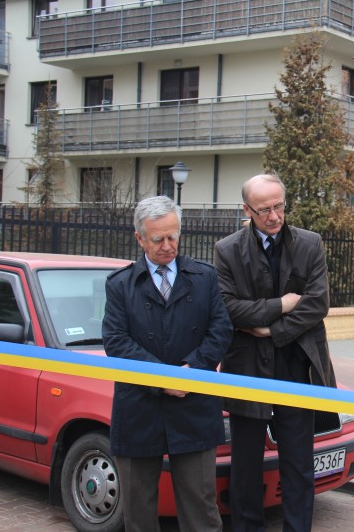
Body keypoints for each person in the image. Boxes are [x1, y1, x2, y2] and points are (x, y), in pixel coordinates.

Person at [213, 173, 335, 532]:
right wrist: (281, 304)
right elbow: (228, 308)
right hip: (246, 367)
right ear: (246, 210)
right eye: (264, 209)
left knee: (298, 463)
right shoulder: (227, 250)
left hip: (297, 364)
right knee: (246, 464)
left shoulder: (310, 244)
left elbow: (317, 304)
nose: (274, 216)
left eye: (279, 206)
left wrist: (271, 329)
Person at [103, 195, 233, 532]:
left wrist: (191, 371)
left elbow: (221, 330)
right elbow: (116, 341)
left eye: (173, 236)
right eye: (158, 238)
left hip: (194, 404)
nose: (167, 246)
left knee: (201, 508)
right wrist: (163, 379)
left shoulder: (204, 277)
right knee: (138, 510)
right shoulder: (120, 285)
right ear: (140, 238)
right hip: (139, 406)